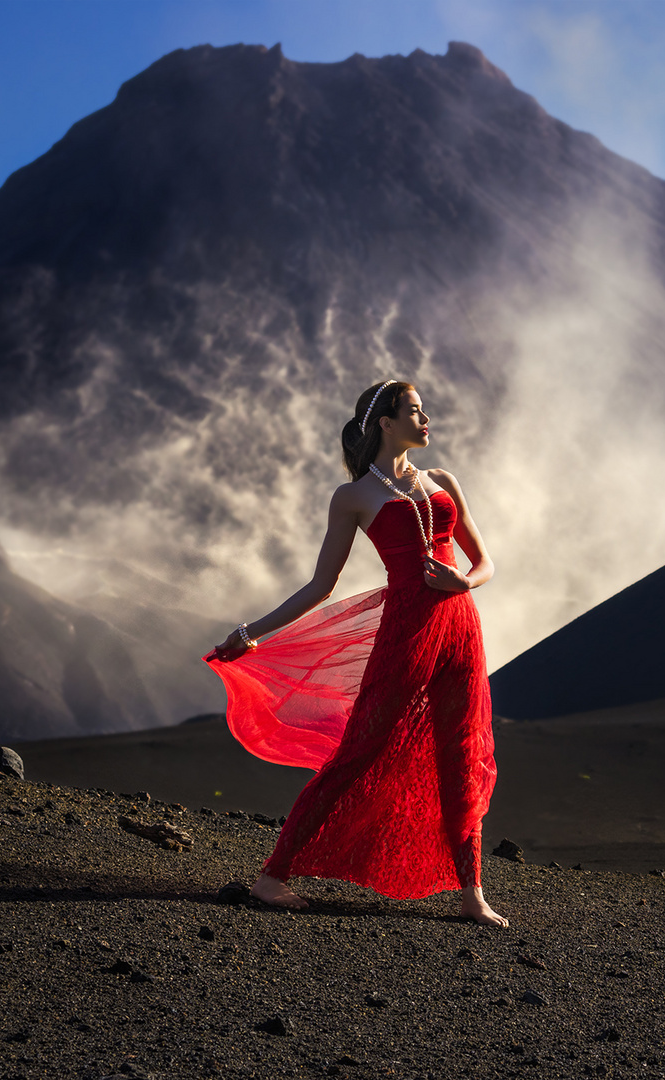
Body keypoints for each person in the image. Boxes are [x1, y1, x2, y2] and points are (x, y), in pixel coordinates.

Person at [205, 380, 508, 927]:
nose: (427, 418)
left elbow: (484, 562)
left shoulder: (442, 481)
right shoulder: (352, 497)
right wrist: (251, 633)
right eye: (415, 411)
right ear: (386, 423)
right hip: (406, 636)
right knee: (359, 751)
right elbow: (321, 584)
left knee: (459, 752)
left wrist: (465, 583)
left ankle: (472, 894)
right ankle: (272, 877)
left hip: (461, 631)